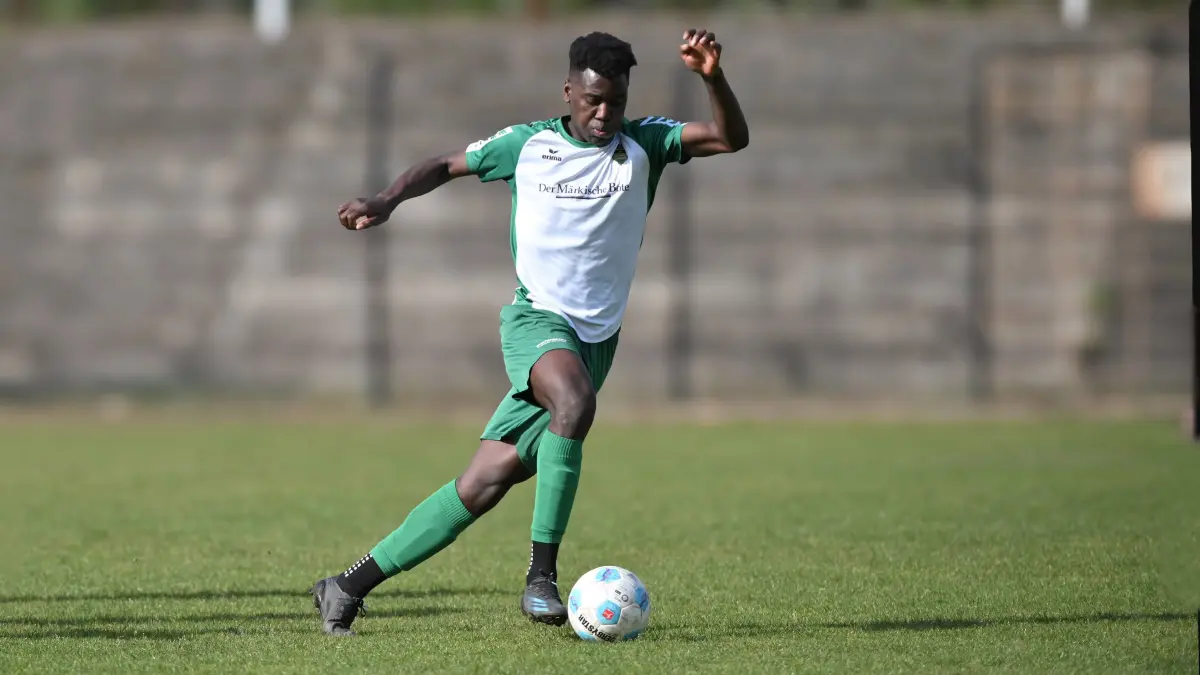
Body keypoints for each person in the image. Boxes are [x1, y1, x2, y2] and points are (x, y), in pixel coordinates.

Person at [311, 28, 748, 636]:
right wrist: (386, 200)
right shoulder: (528, 145)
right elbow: (444, 164)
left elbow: (730, 137)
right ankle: (541, 578)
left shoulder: (645, 143)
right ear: (569, 91)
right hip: (536, 321)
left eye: (615, 102)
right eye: (593, 100)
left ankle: (347, 585)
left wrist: (711, 77)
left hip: (595, 343)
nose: (604, 113)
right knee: (573, 402)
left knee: (482, 484)